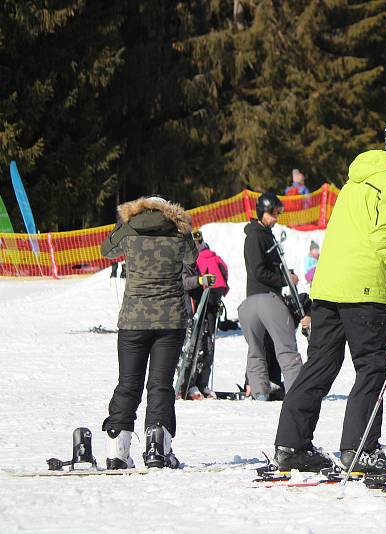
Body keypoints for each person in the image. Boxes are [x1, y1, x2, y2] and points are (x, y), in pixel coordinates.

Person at [274, 117, 386, 473]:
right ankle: (360, 448)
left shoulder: (358, 177)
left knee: (320, 365)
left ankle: (291, 444)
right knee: (371, 367)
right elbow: (382, 238)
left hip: (329, 287)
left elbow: (358, 239)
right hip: (361, 292)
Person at [100, 196, 197, 470]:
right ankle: (158, 448)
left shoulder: (129, 228)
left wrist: (124, 223)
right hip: (170, 321)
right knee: (160, 384)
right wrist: (184, 228)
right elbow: (193, 257)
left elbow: (106, 249)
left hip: (133, 321)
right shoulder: (179, 230)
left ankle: (117, 450)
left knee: (128, 383)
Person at [238, 192, 304, 401]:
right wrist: (285, 279)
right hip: (266, 299)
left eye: (277, 214)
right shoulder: (257, 236)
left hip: (250, 302)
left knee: (256, 351)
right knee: (286, 348)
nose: (275, 219)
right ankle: (298, 392)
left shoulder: (259, 235)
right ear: (262, 212)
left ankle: (260, 392)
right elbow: (259, 272)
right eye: (273, 214)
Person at [182, 229, 230, 400]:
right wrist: (200, 280)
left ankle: (202, 383)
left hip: (205, 306)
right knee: (193, 347)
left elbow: (223, 272)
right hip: (191, 309)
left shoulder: (199, 260)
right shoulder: (182, 261)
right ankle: (188, 383)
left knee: (207, 345)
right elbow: (183, 282)